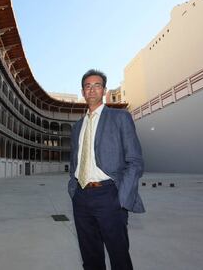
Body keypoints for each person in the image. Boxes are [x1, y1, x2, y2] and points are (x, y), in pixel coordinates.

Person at [68, 69, 145, 270]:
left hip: (109, 194)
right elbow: (74, 162)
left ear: (104, 90)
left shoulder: (120, 117)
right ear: (83, 91)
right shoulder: (76, 127)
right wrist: (73, 189)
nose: (92, 90)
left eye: (97, 85)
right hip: (81, 196)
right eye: (87, 86)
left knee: (118, 256)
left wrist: (121, 199)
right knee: (90, 256)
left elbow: (135, 161)